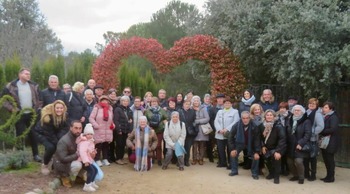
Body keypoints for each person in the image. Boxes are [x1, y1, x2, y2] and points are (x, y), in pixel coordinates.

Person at [1, 67, 42, 162]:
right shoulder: (11, 86)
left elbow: (40, 99)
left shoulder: (33, 85)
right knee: (20, 135)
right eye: (26, 74)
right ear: (20, 75)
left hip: (31, 114)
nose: (29, 75)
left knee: (33, 134)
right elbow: (3, 99)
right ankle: (21, 156)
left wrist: (38, 108)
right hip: (19, 114)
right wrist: (12, 109)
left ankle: (36, 155)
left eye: (29, 74)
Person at [34, 100, 69, 175]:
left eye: (61, 108)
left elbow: (65, 129)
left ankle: (55, 166)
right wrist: (58, 143)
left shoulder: (65, 116)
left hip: (54, 133)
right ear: (54, 108)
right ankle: (45, 165)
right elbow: (49, 133)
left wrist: (60, 138)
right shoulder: (48, 118)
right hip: (41, 133)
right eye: (57, 108)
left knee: (59, 146)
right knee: (51, 147)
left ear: (64, 109)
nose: (59, 110)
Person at [228, 111, 261, 179]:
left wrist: (257, 152)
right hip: (239, 143)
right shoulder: (236, 125)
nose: (245, 120)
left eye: (247, 118)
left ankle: (254, 173)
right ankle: (234, 171)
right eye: (243, 118)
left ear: (250, 118)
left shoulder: (254, 126)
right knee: (233, 154)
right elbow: (230, 137)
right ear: (241, 118)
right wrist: (233, 149)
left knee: (256, 157)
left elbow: (257, 140)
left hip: (250, 144)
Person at [53, 120, 84, 188]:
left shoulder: (81, 138)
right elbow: (62, 159)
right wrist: (77, 155)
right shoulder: (64, 141)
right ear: (71, 128)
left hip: (72, 159)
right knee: (78, 165)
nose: (78, 130)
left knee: (89, 162)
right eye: (76, 128)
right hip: (62, 164)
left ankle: (78, 176)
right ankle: (64, 177)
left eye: (80, 128)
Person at [287, 105, 311, 184]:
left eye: (298, 110)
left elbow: (308, 134)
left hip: (300, 145)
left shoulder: (306, 121)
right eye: (295, 110)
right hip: (290, 145)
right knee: (289, 161)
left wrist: (301, 143)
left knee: (298, 161)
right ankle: (295, 175)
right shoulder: (289, 119)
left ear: (302, 112)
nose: (296, 112)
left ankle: (301, 177)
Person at [261, 109, 286, 184]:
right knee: (266, 159)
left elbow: (282, 139)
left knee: (276, 160)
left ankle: (276, 176)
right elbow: (259, 137)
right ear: (265, 116)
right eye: (267, 115)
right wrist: (262, 146)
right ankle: (271, 173)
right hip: (266, 147)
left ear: (274, 116)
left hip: (277, 147)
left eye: (271, 115)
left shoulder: (278, 125)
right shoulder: (262, 125)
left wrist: (278, 151)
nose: (269, 116)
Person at [89, 95, 114, 166]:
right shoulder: (97, 107)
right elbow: (91, 118)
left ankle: (105, 159)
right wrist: (96, 125)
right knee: (98, 145)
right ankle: (97, 159)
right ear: (100, 101)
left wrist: (113, 124)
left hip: (108, 130)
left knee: (106, 145)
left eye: (106, 100)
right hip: (99, 129)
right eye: (103, 100)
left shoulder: (110, 108)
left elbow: (111, 118)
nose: (105, 101)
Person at [214, 98, 239, 168]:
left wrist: (227, 129)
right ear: (223, 104)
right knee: (220, 149)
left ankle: (231, 163)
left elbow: (236, 122)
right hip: (220, 134)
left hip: (229, 134)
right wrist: (219, 129)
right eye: (225, 103)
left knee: (230, 149)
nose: (227, 104)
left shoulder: (235, 112)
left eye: (228, 103)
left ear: (231, 104)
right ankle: (222, 162)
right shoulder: (220, 112)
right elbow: (216, 121)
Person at [304, 98, 324, 181]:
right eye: (310, 103)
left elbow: (320, 126)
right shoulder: (306, 112)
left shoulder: (317, 114)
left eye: (313, 104)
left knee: (312, 157)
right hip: (306, 138)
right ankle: (306, 173)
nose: (311, 105)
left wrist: (311, 133)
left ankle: (313, 175)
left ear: (316, 105)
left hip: (312, 139)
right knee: (305, 157)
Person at [144, 97, 168, 166]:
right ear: (150, 103)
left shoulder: (162, 110)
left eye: (155, 102)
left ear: (158, 102)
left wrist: (163, 124)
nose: (154, 103)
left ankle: (159, 159)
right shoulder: (148, 111)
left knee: (158, 145)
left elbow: (166, 118)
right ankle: (152, 158)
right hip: (151, 130)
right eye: (152, 102)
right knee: (151, 145)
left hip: (159, 130)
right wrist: (148, 126)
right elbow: (146, 120)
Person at [320, 101, 339, 183]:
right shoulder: (325, 116)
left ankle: (331, 177)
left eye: (326, 107)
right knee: (326, 159)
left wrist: (322, 131)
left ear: (330, 109)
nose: (324, 109)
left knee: (330, 160)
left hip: (331, 142)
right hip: (325, 141)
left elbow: (333, 129)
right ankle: (328, 176)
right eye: (324, 107)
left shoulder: (333, 117)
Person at [76, 124, 99, 192]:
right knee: (91, 171)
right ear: (85, 134)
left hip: (89, 160)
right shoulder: (84, 142)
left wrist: (94, 152)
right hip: (83, 160)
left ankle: (91, 182)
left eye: (91, 134)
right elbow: (82, 152)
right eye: (88, 134)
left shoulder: (90, 141)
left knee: (95, 170)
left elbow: (90, 150)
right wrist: (85, 161)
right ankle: (87, 185)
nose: (90, 135)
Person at [113, 96, 133, 165]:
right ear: (121, 102)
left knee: (124, 145)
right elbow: (116, 120)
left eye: (127, 101)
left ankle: (121, 158)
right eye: (124, 101)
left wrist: (130, 131)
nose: (125, 102)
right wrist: (119, 130)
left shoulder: (129, 110)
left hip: (126, 131)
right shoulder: (117, 109)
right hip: (120, 130)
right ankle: (118, 158)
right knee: (119, 145)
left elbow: (131, 121)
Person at [191, 95, 210, 165]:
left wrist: (198, 121)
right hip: (194, 129)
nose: (196, 102)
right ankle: (194, 159)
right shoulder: (191, 108)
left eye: (197, 101)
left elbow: (207, 118)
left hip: (202, 129)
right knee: (194, 145)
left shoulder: (203, 108)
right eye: (194, 101)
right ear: (192, 102)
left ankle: (201, 158)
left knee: (202, 145)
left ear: (199, 101)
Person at [208, 93, 226, 163]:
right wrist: (216, 128)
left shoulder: (227, 108)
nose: (220, 100)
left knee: (226, 146)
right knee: (218, 145)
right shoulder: (212, 109)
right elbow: (211, 119)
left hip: (225, 130)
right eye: (218, 99)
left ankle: (226, 160)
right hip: (215, 130)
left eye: (221, 98)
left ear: (224, 99)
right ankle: (218, 159)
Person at [178, 100, 196, 166]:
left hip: (189, 132)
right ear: (183, 105)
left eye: (188, 104)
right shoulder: (179, 111)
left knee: (188, 148)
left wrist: (193, 126)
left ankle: (186, 161)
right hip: (181, 132)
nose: (187, 105)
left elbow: (195, 121)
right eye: (186, 104)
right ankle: (179, 162)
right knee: (180, 147)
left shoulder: (193, 112)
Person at [277, 102, 292, 176]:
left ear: (287, 109)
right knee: (281, 154)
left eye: (284, 108)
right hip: (280, 138)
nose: (282, 110)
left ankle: (287, 170)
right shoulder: (277, 117)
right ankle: (281, 169)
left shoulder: (290, 116)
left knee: (287, 155)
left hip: (288, 138)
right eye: (280, 108)